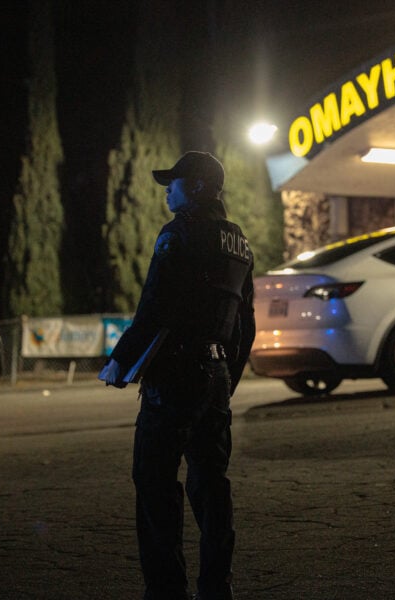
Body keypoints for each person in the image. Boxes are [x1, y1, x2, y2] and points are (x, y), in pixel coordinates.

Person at [101, 151, 255, 600]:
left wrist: (119, 361)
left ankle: (167, 591)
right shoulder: (239, 241)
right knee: (211, 486)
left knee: (153, 482)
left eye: (176, 182)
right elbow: (245, 323)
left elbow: (155, 304)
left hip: (174, 376)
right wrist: (226, 378)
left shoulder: (178, 233)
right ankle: (217, 587)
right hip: (216, 376)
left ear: (200, 187)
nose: (167, 189)